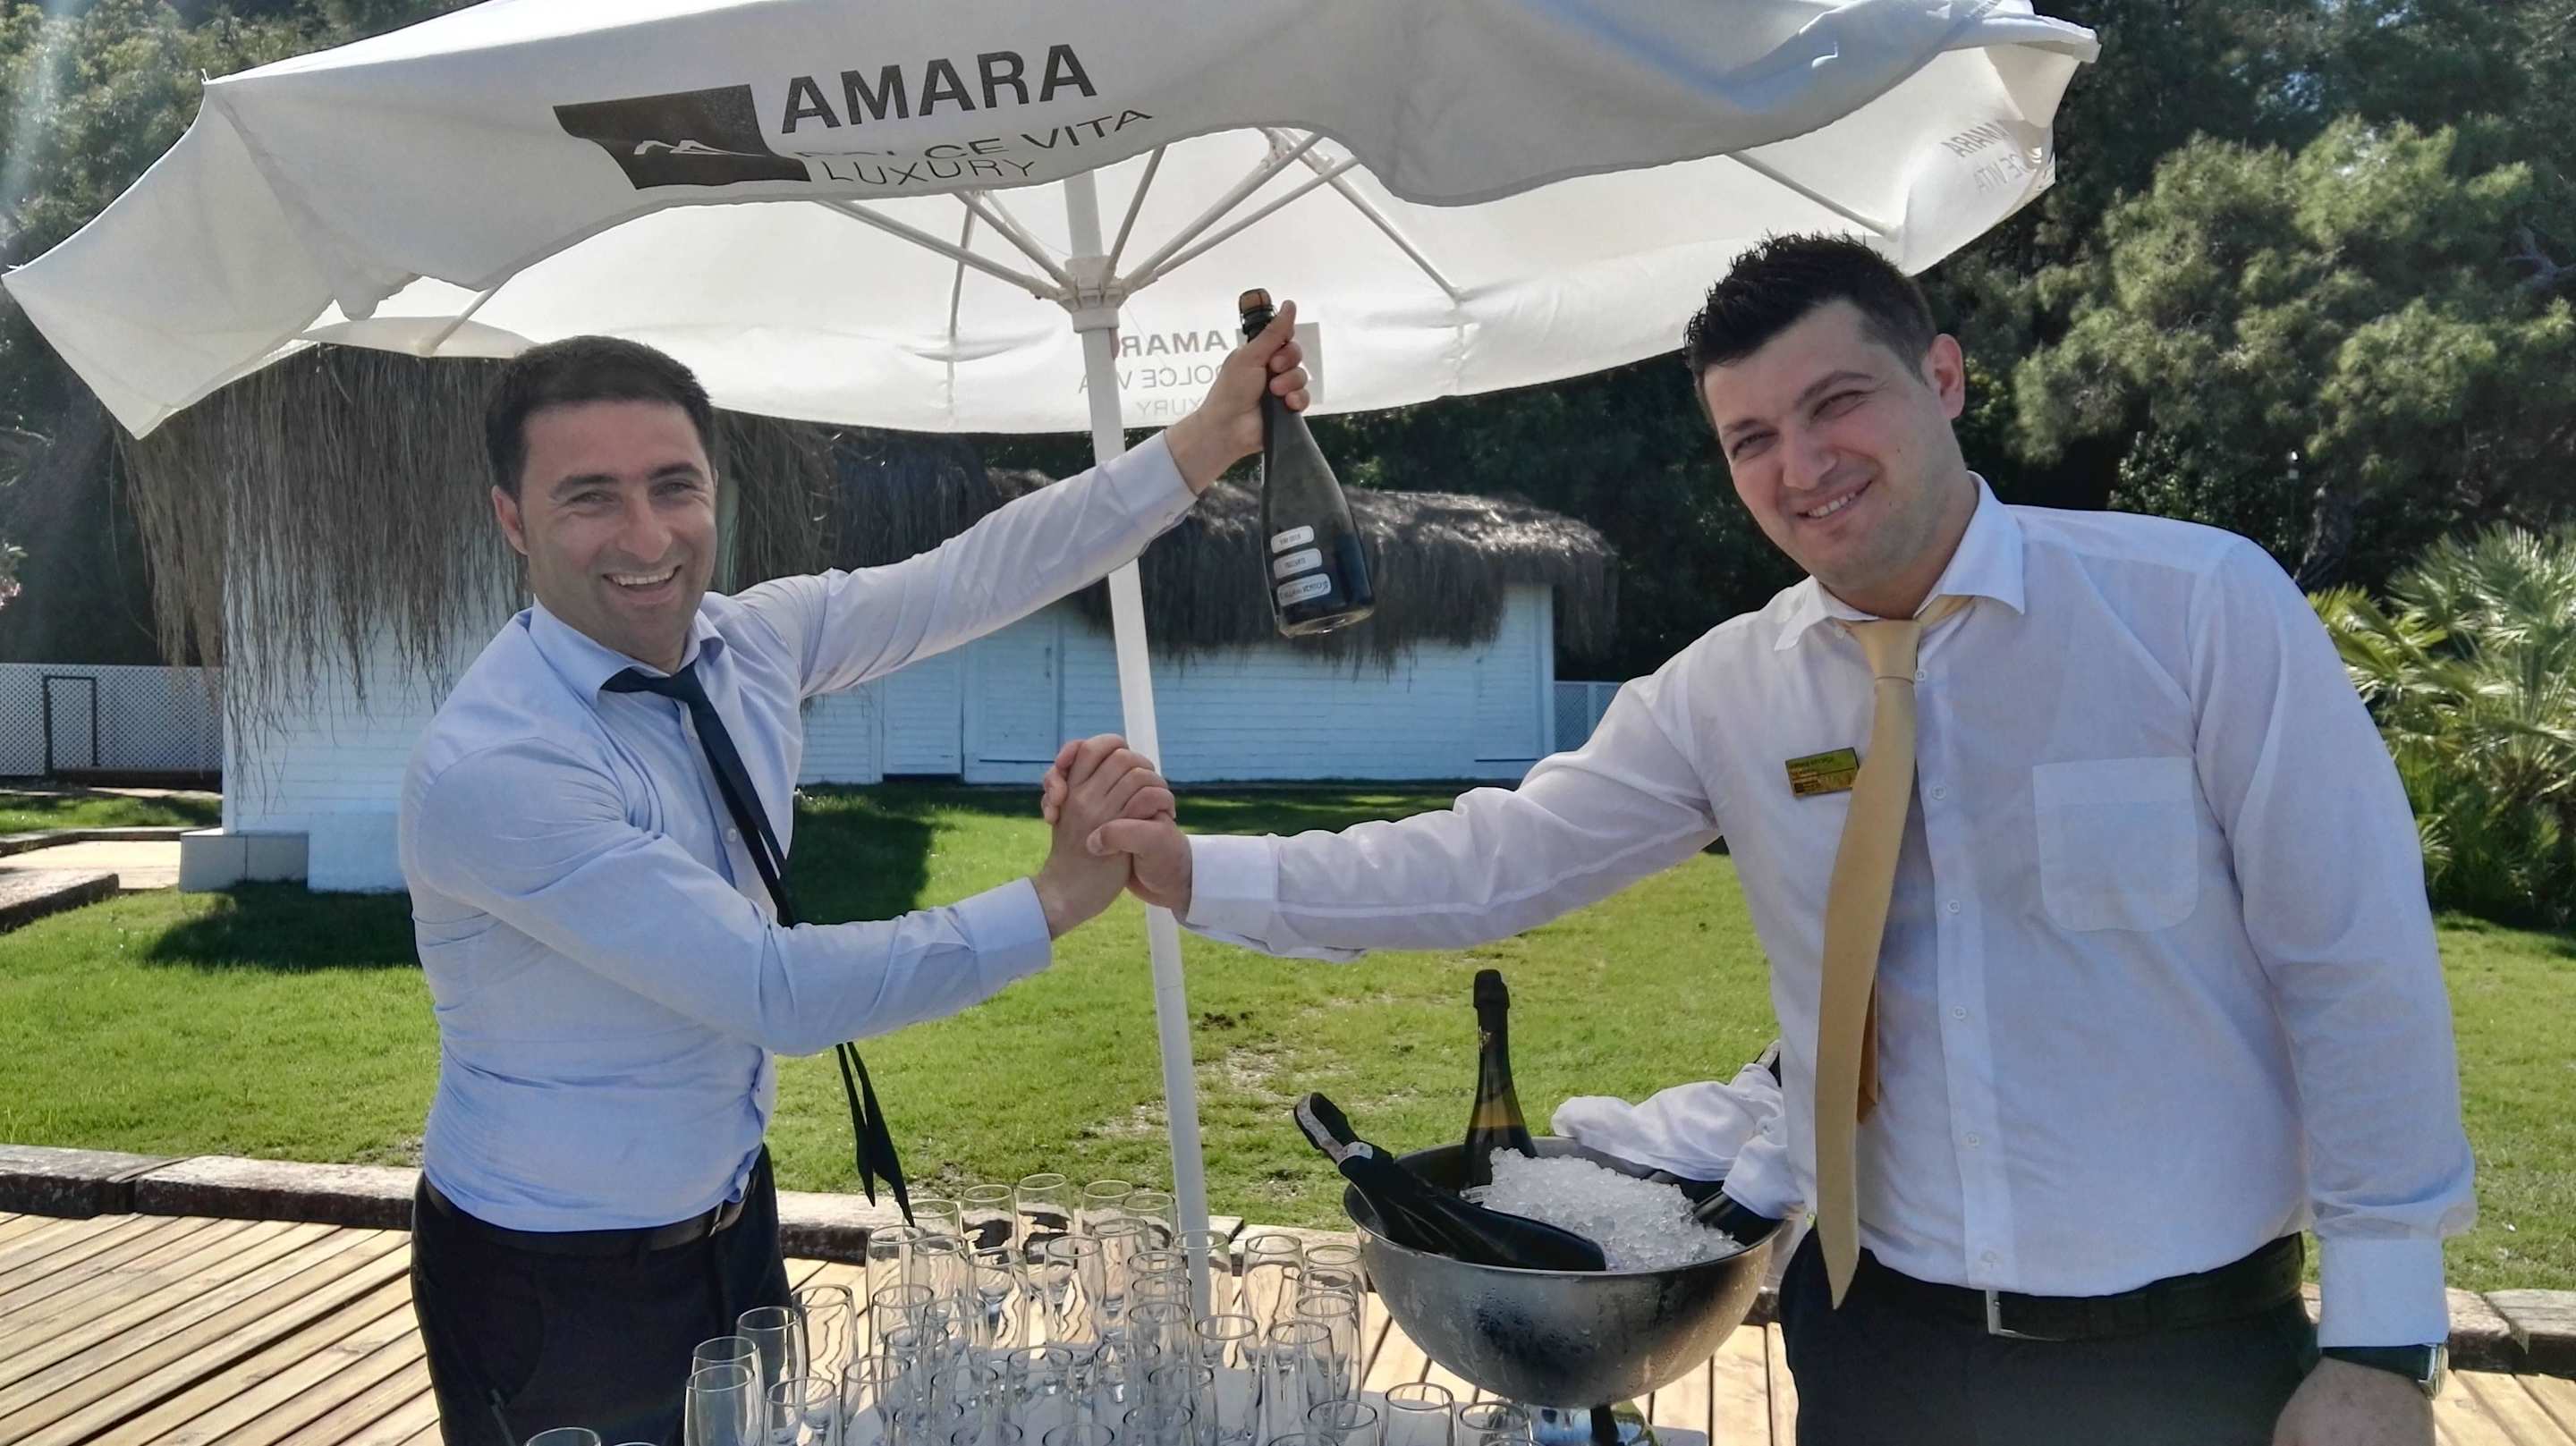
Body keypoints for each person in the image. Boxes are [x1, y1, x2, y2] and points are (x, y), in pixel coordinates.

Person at [1054, 236, 2474, 1446]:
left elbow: (2352, 960)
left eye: (1836, 402)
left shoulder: (2197, 611)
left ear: (1944, 377)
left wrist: (2382, 1338)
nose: (1801, 464)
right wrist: (1199, 871)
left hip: (2186, 1359)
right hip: (1876, 1344)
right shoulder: (1732, 690)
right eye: (1750, 439)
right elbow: (1498, 857)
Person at [398, 312, 1302, 1445]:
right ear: (512, 520)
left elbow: (971, 576)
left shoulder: (748, 644)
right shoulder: (498, 765)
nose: (648, 535)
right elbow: (774, 993)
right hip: (550, 1279)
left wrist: (1206, 441)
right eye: (591, 498)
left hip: (733, 1223)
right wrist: (1053, 901)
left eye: (675, 487)